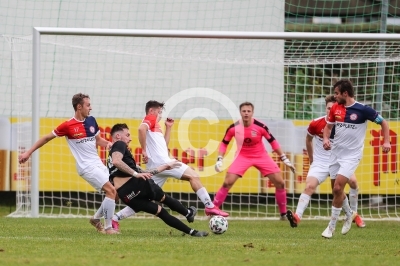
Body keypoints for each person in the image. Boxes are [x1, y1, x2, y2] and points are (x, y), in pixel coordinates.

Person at [111, 100, 228, 230]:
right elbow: (140, 129)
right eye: (159, 112)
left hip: (157, 166)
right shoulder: (149, 118)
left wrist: (168, 128)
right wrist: (143, 150)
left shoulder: (156, 126)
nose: (160, 115)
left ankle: (115, 218)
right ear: (151, 111)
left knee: (143, 200)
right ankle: (209, 206)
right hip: (163, 163)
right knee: (193, 176)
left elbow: (163, 146)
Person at [18, 93, 119, 234]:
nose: (91, 108)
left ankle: (96, 219)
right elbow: (47, 138)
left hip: (97, 163)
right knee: (111, 191)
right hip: (86, 166)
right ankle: (108, 228)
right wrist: (28, 153)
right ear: (79, 107)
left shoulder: (91, 121)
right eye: (88, 105)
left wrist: (108, 143)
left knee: (115, 193)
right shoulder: (68, 125)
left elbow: (98, 140)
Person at [107, 123, 208, 237]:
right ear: (118, 136)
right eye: (127, 135)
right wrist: (136, 174)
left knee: (161, 212)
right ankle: (188, 213)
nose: (130, 138)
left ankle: (193, 232)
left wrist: (164, 167)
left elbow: (142, 172)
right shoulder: (119, 144)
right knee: (164, 198)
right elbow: (118, 161)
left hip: (126, 195)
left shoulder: (110, 158)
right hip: (137, 185)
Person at [321, 79, 391, 239]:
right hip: (335, 154)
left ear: (345, 93)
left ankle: (330, 228)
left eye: (337, 93)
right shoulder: (335, 109)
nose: (335, 96)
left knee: (339, 188)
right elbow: (328, 127)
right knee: (336, 191)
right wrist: (326, 139)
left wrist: (386, 141)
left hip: (351, 156)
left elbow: (384, 123)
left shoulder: (363, 110)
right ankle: (349, 215)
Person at [286, 95, 365, 228]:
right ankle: (297, 216)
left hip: (340, 161)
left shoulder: (346, 125)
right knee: (309, 186)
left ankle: (354, 214)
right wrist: (312, 159)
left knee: (352, 182)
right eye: (328, 108)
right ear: (326, 108)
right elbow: (308, 140)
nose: (330, 111)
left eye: (333, 108)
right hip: (321, 162)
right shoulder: (316, 123)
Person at [213, 101, 296, 220]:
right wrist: (219, 159)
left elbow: (272, 141)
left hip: (261, 155)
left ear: (252, 112)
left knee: (280, 183)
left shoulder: (260, 126)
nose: (246, 113)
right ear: (240, 112)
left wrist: (283, 157)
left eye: (248, 111)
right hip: (242, 156)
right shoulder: (233, 128)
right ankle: (213, 209)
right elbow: (224, 143)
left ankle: (283, 214)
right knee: (227, 182)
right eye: (244, 111)